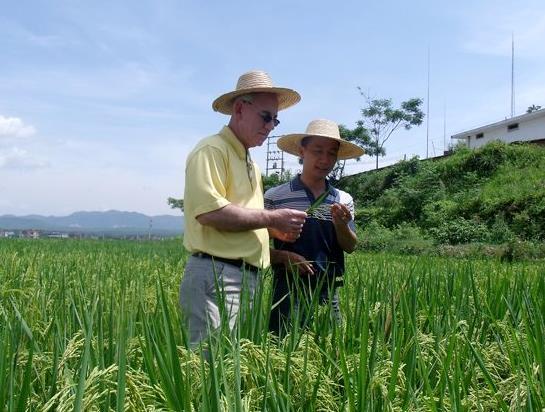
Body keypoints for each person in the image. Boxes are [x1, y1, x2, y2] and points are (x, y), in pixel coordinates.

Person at [179, 70, 307, 347]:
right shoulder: (212, 150)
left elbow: (245, 222)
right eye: (266, 116)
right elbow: (210, 213)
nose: (271, 125)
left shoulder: (252, 165)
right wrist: (272, 218)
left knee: (230, 366)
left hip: (246, 279)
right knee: (210, 367)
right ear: (239, 108)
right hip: (219, 277)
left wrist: (274, 244)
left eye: (276, 119)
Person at [265, 119, 364, 335]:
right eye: (317, 151)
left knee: (332, 350)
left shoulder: (343, 199)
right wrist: (283, 257)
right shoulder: (275, 197)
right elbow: (255, 246)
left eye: (331, 154)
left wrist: (341, 225)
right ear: (302, 151)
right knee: (282, 348)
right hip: (287, 290)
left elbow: (350, 246)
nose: (324, 160)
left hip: (328, 292)